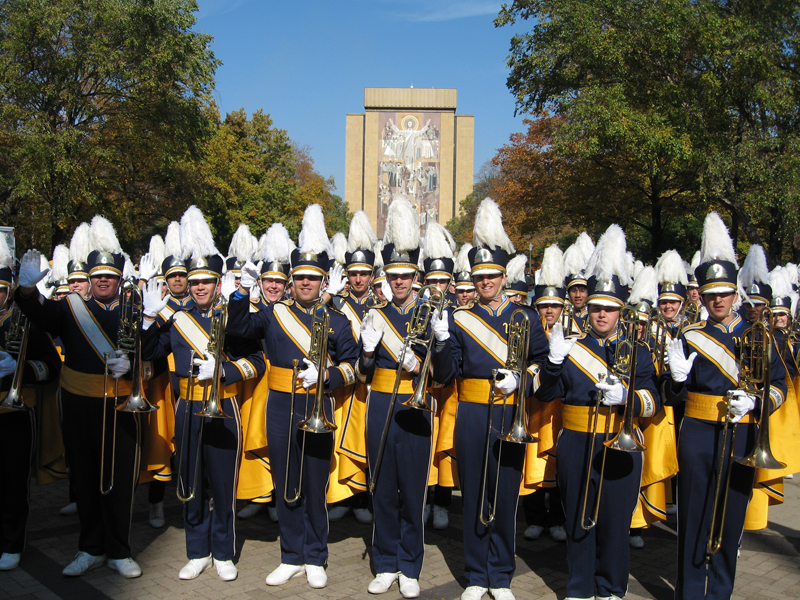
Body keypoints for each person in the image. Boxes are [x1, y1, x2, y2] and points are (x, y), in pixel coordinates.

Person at [226, 204, 359, 590]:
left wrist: (328, 375)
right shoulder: (271, 313)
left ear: (322, 282)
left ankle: (316, 555)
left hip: (318, 403)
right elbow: (238, 329)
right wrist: (241, 291)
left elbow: (353, 367)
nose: (304, 284)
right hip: (281, 404)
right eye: (298, 278)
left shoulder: (336, 319)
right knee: (286, 481)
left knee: (315, 482)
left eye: (311, 279)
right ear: (290, 280)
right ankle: (291, 554)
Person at [665, 213, 788, 600]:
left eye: (724, 293)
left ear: (736, 294)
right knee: (693, 516)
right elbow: (671, 396)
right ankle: (689, 592)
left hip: (742, 433)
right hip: (698, 433)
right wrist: (677, 381)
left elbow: (781, 387)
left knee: (730, 517)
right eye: (711, 293)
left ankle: (720, 592)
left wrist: (757, 400)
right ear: (701, 294)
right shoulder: (688, 336)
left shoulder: (758, 335)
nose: (718, 300)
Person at [141, 206, 265, 582]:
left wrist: (225, 372)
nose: (199, 288)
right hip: (187, 406)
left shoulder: (233, 316)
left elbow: (258, 360)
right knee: (189, 482)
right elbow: (149, 354)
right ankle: (197, 551)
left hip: (223, 405)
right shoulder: (173, 317)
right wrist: (148, 320)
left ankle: (224, 552)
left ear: (216, 284)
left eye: (206, 282)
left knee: (224, 484)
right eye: (194, 283)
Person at [537, 224, 660, 600]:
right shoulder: (569, 346)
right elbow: (545, 395)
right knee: (577, 517)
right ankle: (578, 588)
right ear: (586, 309)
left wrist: (627, 397)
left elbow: (653, 403)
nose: (601, 315)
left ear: (620, 311)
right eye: (595, 308)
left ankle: (611, 588)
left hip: (621, 443)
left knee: (614, 523)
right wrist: (554, 364)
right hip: (575, 440)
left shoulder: (637, 349)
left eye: (609, 309)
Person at [15, 216, 143, 578]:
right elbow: (38, 313)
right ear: (89, 279)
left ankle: (119, 550)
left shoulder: (134, 313)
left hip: (120, 406)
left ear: (119, 279)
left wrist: (132, 367)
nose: (104, 281)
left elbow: (152, 359)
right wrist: (25, 291)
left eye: (110, 276)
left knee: (118, 480)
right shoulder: (70, 307)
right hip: (77, 403)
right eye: (98, 276)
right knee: (85, 479)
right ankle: (89, 548)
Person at [444, 200, 548, 600]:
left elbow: (542, 366)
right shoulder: (459, 317)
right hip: (471, 411)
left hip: (509, 412)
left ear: (505, 277)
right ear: (473, 279)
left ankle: (501, 574)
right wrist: (438, 342)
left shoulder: (526, 318)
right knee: (473, 493)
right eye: (480, 276)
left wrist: (521, 380)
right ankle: (475, 574)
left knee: (504, 494)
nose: (486, 282)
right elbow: (447, 370)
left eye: (492, 276)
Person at [358, 197, 453, 599]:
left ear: (415, 276)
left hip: (414, 407)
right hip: (379, 404)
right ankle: (384, 562)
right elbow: (363, 374)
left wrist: (434, 352)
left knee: (413, 490)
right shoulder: (375, 313)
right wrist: (365, 351)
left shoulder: (430, 314)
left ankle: (410, 564)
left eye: (405, 275)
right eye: (393, 276)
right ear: (386, 277)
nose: (398, 281)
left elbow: (445, 377)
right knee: (381, 486)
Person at [0, 236, 63, 571]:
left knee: (13, 482)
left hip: (15, 410)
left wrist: (21, 368)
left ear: (10, 288)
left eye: (0, 288)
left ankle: (12, 542)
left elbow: (52, 368)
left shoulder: (26, 322)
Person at [523, 244, 567, 544]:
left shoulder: (575, 333)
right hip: (533, 407)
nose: (549, 310)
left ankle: (559, 519)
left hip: (562, 411)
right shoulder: (527, 331)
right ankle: (535, 518)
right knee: (532, 460)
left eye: (554, 305)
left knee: (559, 463)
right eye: (543, 305)